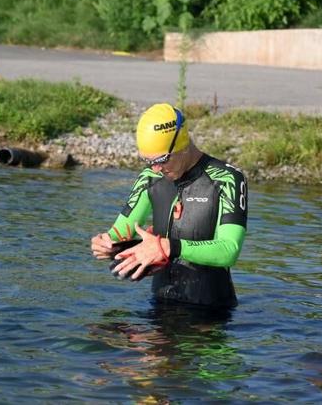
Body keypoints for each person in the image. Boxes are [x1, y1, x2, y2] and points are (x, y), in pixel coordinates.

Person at [90, 104, 247, 308]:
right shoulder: (150, 177)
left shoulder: (227, 179)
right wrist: (106, 244)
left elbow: (229, 250)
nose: (155, 168)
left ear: (182, 145)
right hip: (158, 307)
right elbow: (121, 232)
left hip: (209, 315)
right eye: (148, 161)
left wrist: (169, 246)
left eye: (162, 160)